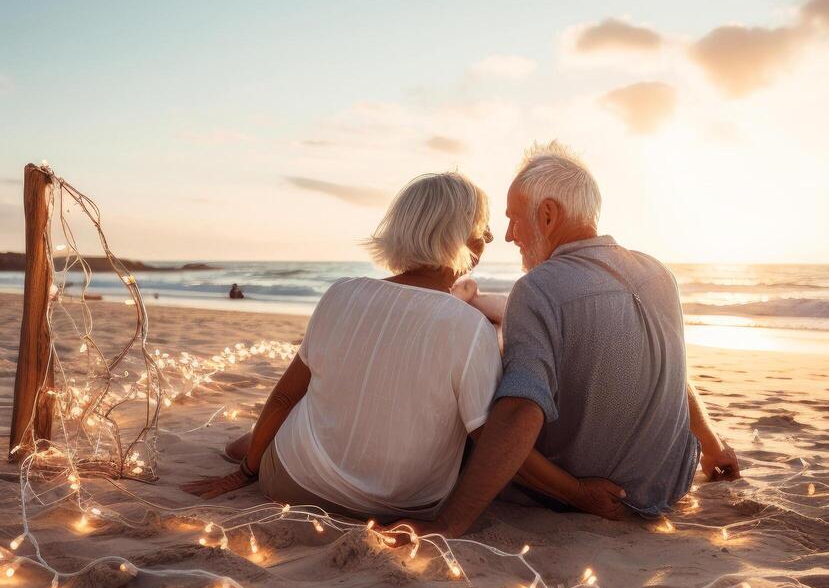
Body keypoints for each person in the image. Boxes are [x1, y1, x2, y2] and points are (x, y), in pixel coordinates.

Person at [182, 171, 625, 521]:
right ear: (461, 238)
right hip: (405, 506)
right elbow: (494, 442)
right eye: (484, 230)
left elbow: (283, 396)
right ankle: (246, 447)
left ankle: (244, 450)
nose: (490, 239)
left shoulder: (340, 293)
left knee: (275, 426)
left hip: (296, 484)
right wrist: (578, 492)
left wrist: (244, 474)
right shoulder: (468, 327)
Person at [386, 141, 739, 540]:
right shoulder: (660, 274)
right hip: (667, 488)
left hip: (591, 493)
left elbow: (520, 411)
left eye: (514, 220)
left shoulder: (537, 289)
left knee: (477, 394)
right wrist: (712, 445)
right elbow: (676, 373)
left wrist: (450, 522)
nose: (507, 235)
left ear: (549, 214)